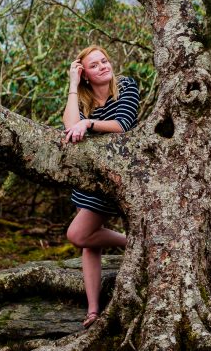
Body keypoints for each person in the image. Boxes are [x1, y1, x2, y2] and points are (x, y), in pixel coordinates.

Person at [62, 45, 139, 328]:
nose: (103, 66)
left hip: (120, 176)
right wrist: (72, 84)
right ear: (85, 76)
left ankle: (131, 243)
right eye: (94, 65)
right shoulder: (83, 101)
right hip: (92, 179)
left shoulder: (127, 86)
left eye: (104, 60)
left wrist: (90, 124)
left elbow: (124, 125)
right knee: (89, 244)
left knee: (79, 235)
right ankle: (93, 311)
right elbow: (70, 125)